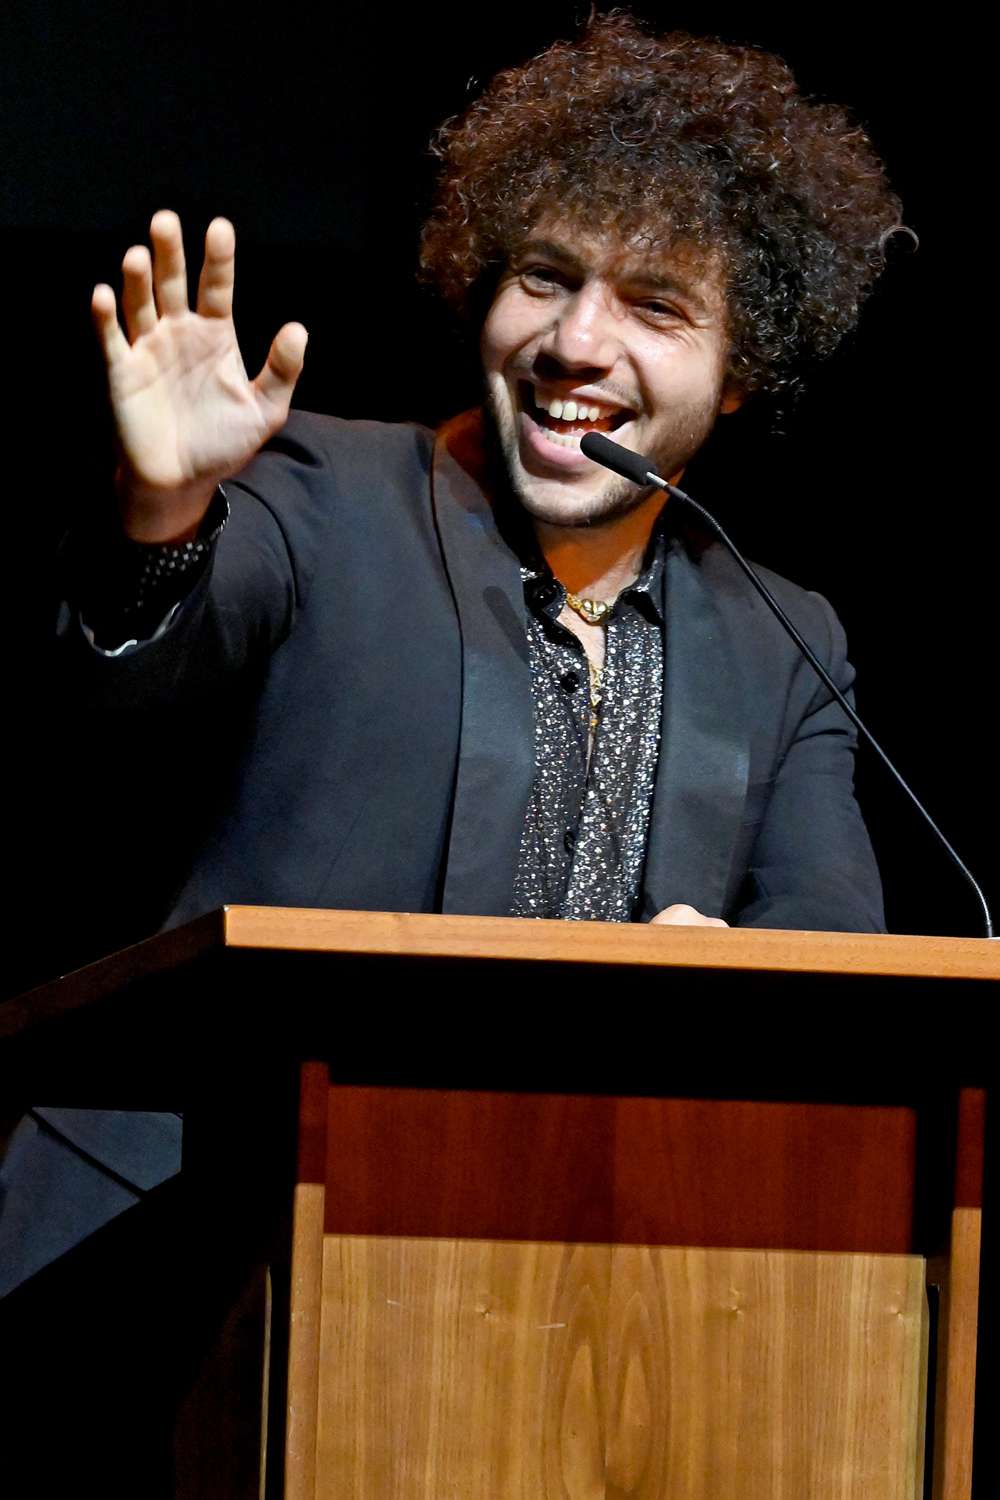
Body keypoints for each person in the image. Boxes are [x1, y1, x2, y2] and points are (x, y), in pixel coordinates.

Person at [6, 14, 898, 1301]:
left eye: (653, 305)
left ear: (743, 370)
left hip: (541, 1289)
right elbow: (130, 672)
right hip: (169, 1266)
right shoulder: (324, 490)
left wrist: (735, 978)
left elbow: (832, 951)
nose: (576, 344)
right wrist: (161, 520)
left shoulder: (785, 638)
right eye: (544, 276)